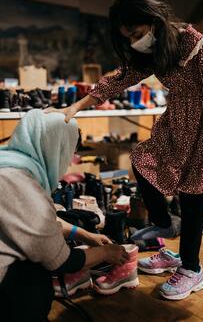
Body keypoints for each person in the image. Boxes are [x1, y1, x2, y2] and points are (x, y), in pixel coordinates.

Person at [46, 0, 203, 300]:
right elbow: (119, 78)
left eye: (136, 33)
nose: (135, 41)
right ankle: (162, 224)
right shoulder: (154, 49)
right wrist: (74, 108)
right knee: (141, 159)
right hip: (175, 125)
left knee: (192, 203)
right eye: (128, 37)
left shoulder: (194, 42)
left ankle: (191, 269)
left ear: (153, 19)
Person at [0, 109, 128, 322]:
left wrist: (85, 235)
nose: (69, 162)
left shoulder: (10, 164)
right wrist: (106, 253)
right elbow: (60, 261)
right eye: (69, 152)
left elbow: (35, 220)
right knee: (37, 277)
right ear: (54, 147)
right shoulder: (20, 184)